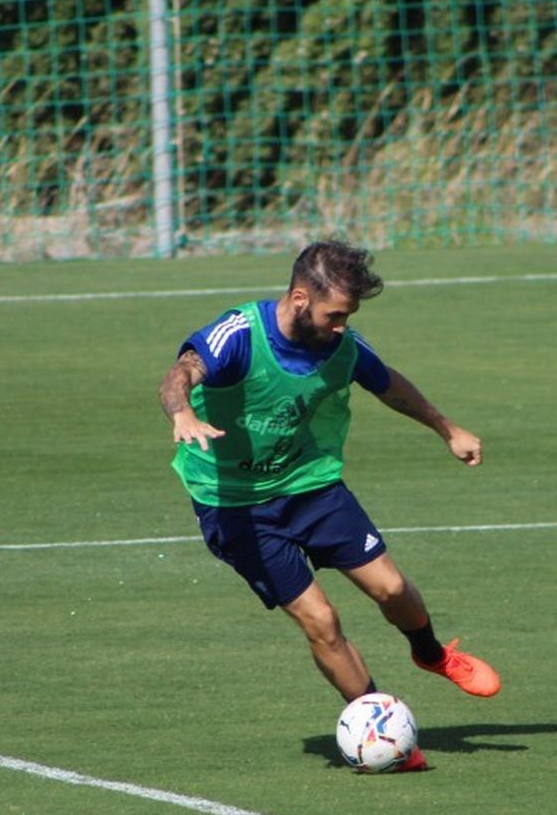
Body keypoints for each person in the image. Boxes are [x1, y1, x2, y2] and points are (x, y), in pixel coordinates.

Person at [161, 240, 500, 771]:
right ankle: (380, 728)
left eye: (349, 315)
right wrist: (181, 412)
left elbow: (388, 385)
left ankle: (431, 653)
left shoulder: (340, 345)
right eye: (335, 313)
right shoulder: (239, 336)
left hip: (311, 487)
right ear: (300, 298)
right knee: (321, 620)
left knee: (390, 587)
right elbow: (180, 372)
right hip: (235, 506)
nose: (342, 325)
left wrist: (447, 429)